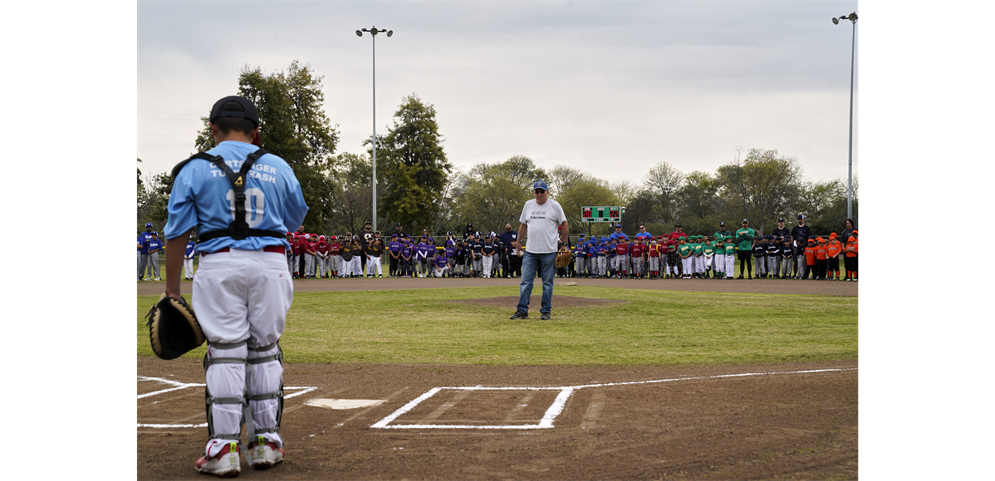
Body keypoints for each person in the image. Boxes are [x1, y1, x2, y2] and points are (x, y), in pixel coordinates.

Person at [164, 95, 307, 476]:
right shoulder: (277, 165)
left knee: (226, 350)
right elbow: (294, 220)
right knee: (264, 349)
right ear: (256, 131)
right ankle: (265, 444)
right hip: (271, 264)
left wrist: (172, 291)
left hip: (219, 262)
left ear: (212, 128)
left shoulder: (193, 169)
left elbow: (176, 233)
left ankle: (223, 449)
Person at [511, 181, 567, 320]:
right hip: (530, 251)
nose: (539, 194)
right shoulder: (528, 204)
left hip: (549, 251)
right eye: (537, 192)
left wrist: (564, 244)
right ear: (534, 193)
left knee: (547, 283)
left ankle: (545, 311)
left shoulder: (554, 206)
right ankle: (522, 311)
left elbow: (564, 224)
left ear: (547, 192)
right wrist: (518, 242)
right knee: (525, 282)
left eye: (542, 191)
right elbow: (523, 224)